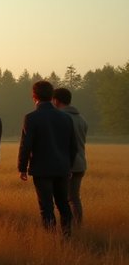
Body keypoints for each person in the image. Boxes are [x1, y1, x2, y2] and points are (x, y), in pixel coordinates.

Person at [18, 81, 77, 236]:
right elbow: (73, 146)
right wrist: (69, 166)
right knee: (64, 204)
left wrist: (22, 168)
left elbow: (26, 145)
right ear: (52, 96)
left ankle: (51, 239)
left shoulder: (31, 118)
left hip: (41, 169)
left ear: (34, 96)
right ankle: (67, 237)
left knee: (46, 207)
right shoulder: (66, 118)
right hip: (62, 168)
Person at [52, 87, 87, 227]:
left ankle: (70, 226)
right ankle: (78, 225)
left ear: (56, 100)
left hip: (66, 165)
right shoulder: (81, 119)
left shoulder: (60, 118)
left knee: (64, 199)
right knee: (74, 198)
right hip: (80, 163)